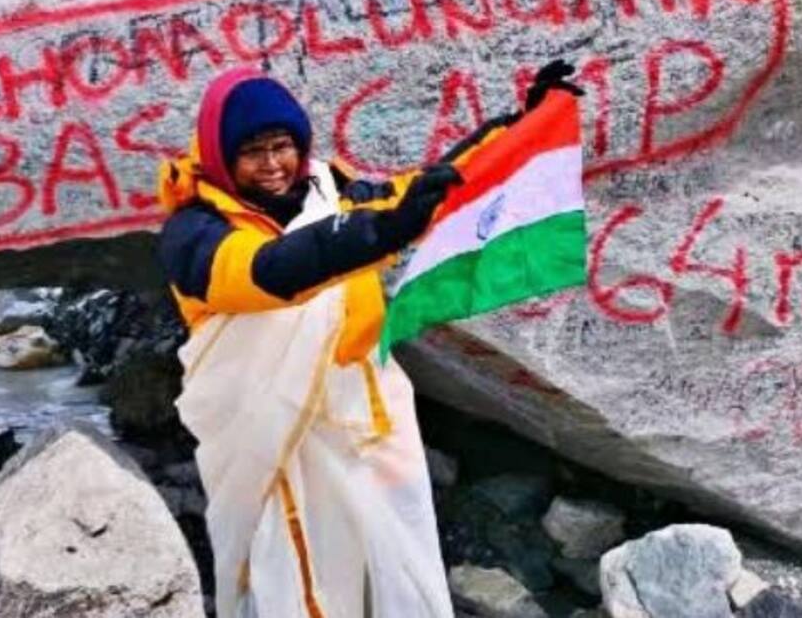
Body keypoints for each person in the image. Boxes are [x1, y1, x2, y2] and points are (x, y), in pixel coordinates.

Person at [156, 62, 578, 618]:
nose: (272, 165)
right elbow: (268, 271)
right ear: (220, 158)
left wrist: (517, 125)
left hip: (367, 408)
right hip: (272, 434)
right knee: (298, 562)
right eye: (251, 152)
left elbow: (427, 191)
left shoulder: (331, 188)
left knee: (400, 552)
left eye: (281, 146)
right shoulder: (196, 232)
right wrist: (383, 228)